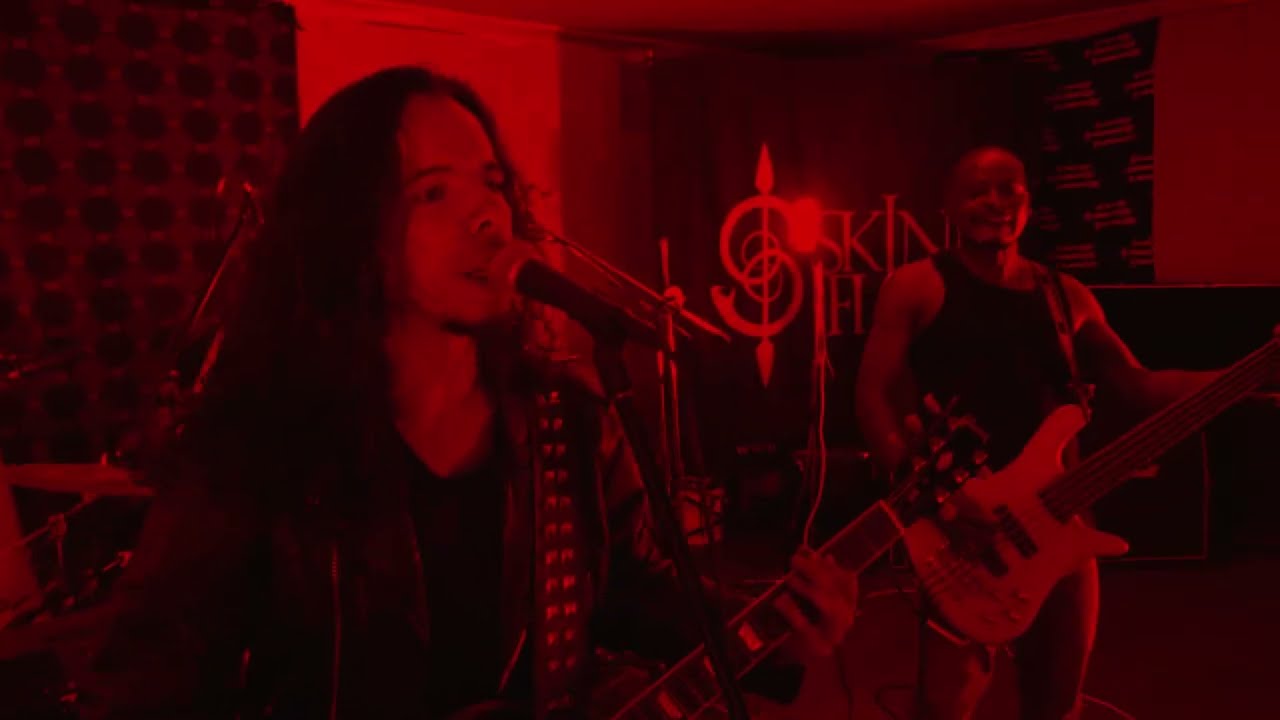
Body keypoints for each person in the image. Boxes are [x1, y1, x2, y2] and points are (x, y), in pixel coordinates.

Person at [75, 66, 861, 719]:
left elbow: (636, 594)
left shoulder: (568, 419)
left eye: (492, 184)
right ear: (351, 233)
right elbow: (141, 690)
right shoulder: (254, 451)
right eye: (433, 193)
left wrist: (781, 636)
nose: (488, 214)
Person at [853, 146, 1260, 719]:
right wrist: (928, 494)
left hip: (1062, 527)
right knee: (944, 707)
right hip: (961, 528)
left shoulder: (1066, 297)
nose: (995, 202)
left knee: (1058, 704)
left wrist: (1255, 371)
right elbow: (872, 396)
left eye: (1009, 189)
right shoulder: (917, 286)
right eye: (977, 191)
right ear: (947, 206)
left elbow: (1139, 387)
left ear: (1028, 202)